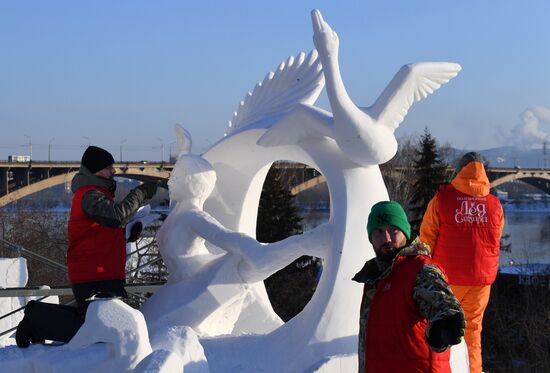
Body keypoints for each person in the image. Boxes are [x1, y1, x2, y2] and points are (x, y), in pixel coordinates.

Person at [16, 145, 157, 347]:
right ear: (96, 170)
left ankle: (37, 317)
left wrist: (126, 234)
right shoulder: (90, 195)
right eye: (109, 167)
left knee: (94, 325)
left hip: (103, 272)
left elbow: (100, 232)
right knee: (93, 328)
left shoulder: (97, 195)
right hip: (94, 274)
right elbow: (116, 216)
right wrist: (141, 192)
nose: (114, 172)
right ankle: (36, 319)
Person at [353, 201, 465, 373]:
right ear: (370, 237)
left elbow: (443, 304)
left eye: (393, 230)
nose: (387, 238)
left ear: (405, 232)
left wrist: (443, 328)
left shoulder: (421, 271)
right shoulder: (375, 279)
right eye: (379, 232)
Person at [420, 152, 504, 373]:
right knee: (473, 332)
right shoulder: (494, 204)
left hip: (447, 280)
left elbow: (426, 238)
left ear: (459, 171)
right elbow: (495, 238)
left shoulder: (443, 199)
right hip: (480, 281)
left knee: (440, 329)